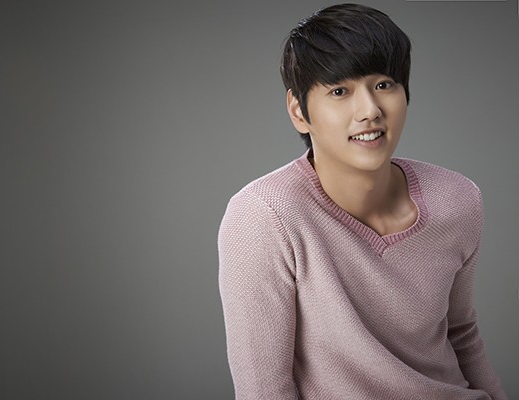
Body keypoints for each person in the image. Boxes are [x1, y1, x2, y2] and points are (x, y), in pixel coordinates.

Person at [217, 3, 508, 399]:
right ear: (299, 111)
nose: (370, 110)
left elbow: (462, 334)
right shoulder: (264, 216)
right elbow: (263, 389)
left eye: (384, 85)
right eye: (340, 91)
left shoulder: (458, 199)